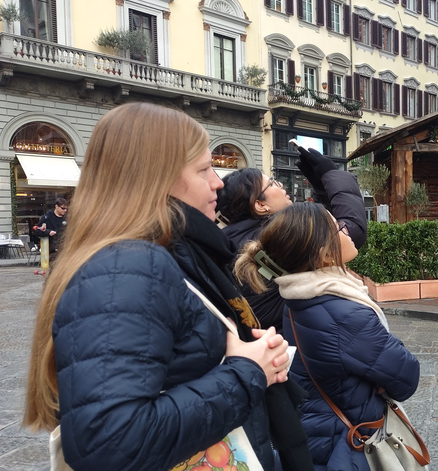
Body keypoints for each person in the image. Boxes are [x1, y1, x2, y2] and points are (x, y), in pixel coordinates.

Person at [23, 103, 312, 471]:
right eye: (204, 169)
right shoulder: (129, 265)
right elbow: (109, 441)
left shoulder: (158, 255)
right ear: (156, 178)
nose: (218, 182)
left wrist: (243, 356)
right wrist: (247, 371)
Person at [234, 202, 420, 471]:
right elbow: (407, 377)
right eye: (339, 229)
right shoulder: (342, 312)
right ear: (325, 256)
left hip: (320, 432)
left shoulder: (299, 297)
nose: (347, 232)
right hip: (347, 446)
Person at [217, 148, 366, 334]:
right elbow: (348, 235)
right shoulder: (273, 239)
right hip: (287, 344)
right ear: (260, 205)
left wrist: (322, 190)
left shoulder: (236, 239)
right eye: (271, 183)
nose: (280, 185)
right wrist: (333, 175)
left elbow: (324, 228)